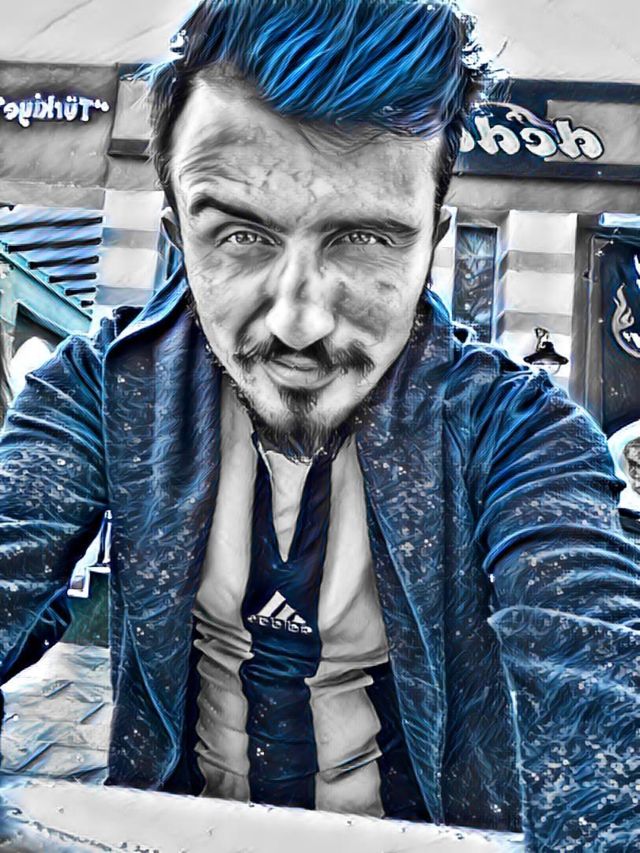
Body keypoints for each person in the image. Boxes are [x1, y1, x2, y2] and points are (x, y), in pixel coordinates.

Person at [0, 1, 639, 850]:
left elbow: (600, 671)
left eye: (366, 238)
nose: (298, 322)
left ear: (432, 243)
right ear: (179, 237)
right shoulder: (102, 386)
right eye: (239, 234)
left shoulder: (517, 429)